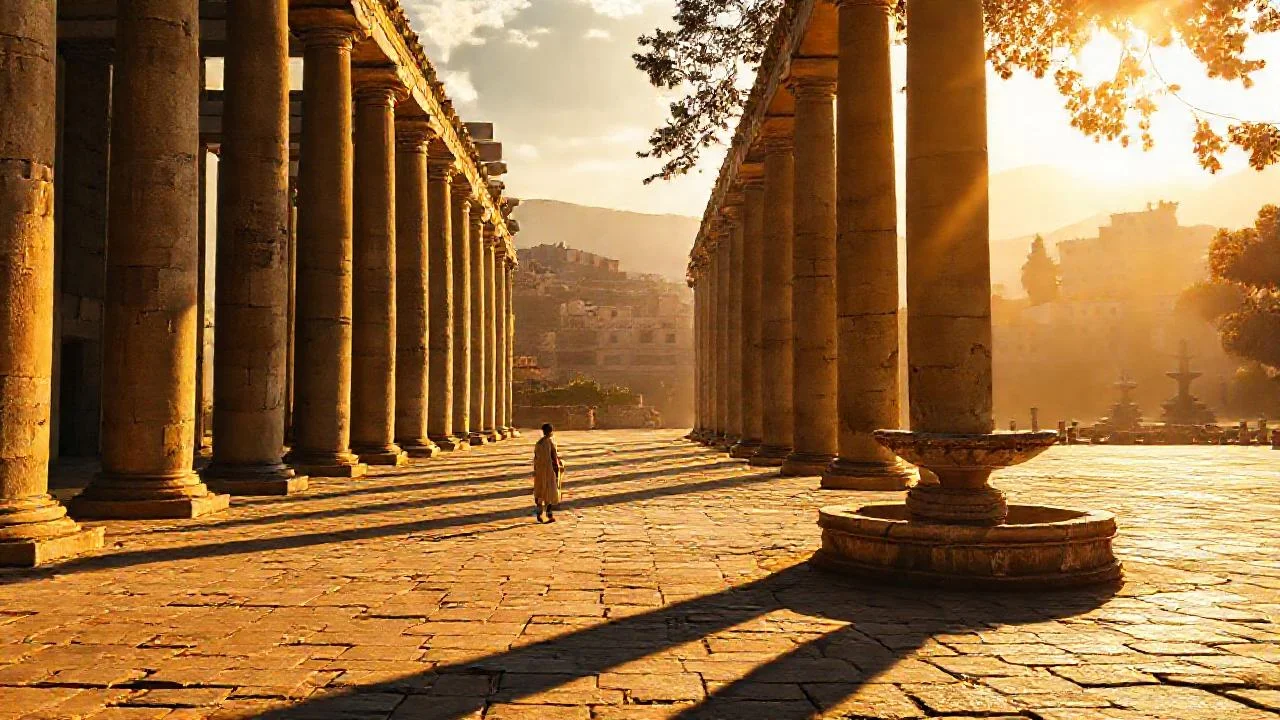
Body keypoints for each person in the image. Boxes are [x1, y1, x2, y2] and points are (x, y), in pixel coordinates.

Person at [532, 423, 564, 523]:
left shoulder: (539, 443)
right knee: (550, 492)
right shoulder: (550, 442)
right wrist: (558, 468)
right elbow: (554, 457)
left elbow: (536, 457)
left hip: (539, 470)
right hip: (549, 470)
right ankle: (549, 515)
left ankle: (539, 514)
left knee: (540, 491)